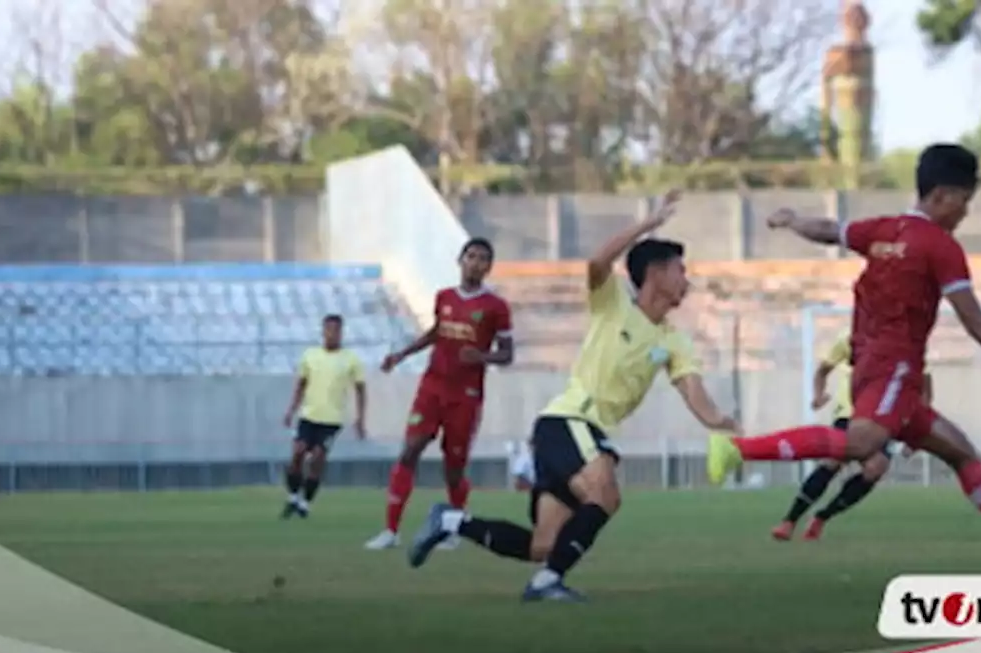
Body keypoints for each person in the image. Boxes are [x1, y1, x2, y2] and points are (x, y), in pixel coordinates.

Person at [707, 143, 981, 571]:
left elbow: (829, 230)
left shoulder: (883, 230)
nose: (965, 213)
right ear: (940, 195)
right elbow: (975, 322)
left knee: (960, 452)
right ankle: (736, 450)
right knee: (863, 443)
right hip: (894, 369)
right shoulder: (941, 247)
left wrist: (792, 221)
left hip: (870, 367)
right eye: (963, 201)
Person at [407, 190, 738, 602]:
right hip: (569, 421)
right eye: (680, 270)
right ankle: (547, 584)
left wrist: (724, 423)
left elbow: (696, 397)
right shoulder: (614, 303)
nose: (687, 280)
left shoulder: (674, 341)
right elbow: (598, 263)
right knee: (605, 494)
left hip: (571, 433)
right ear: (655, 273)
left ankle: (452, 521)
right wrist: (648, 224)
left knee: (544, 546)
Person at [364, 238, 514, 550]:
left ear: (489, 267)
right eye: (471, 256)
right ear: (460, 260)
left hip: (466, 396)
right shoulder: (444, 297)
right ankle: (390, 530)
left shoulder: (496, 308)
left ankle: (456, 528)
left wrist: (482, 358)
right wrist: (401, 355)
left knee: (454, 467)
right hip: (432, 387)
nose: (475, 263)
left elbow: (508, 354)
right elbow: (437, 332)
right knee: (410, 449)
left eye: (482, 259)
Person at [773, 328, 931, 541]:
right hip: (849, 412)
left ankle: (822, 517)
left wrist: (915, 429)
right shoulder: (851, 338)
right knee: (833, 461)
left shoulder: (908, 342)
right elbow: (823, 370)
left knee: (875, 468)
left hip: (883, 416)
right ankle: (790, 520)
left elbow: (923, 387)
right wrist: (818, 395)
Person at [280, 314, 366, 518]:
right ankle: (293, 496)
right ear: (323, 331)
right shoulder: (310, 355)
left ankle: (306, 502)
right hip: (308, 415)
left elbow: (360, 389)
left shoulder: (350, 359)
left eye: (336, 330)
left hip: (331, 420)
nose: (332, 334)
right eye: (328, 330)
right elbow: (301, 385)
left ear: (341, 333)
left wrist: (360, 419)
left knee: (318, 457)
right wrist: (291, 410)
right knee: (298, 453)